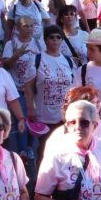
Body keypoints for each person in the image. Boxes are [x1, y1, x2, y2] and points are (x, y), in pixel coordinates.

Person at [25, 26, 75, 160]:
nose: (55, 40)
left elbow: (73, 88)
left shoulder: (68, 61)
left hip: (64, 117)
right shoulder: (37, 59)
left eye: (58, 37)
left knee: (64, 153)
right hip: (44, 116)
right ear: (45, 40)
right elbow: (28, 87)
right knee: (45, 153)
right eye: (51, 37)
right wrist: (30, 109)